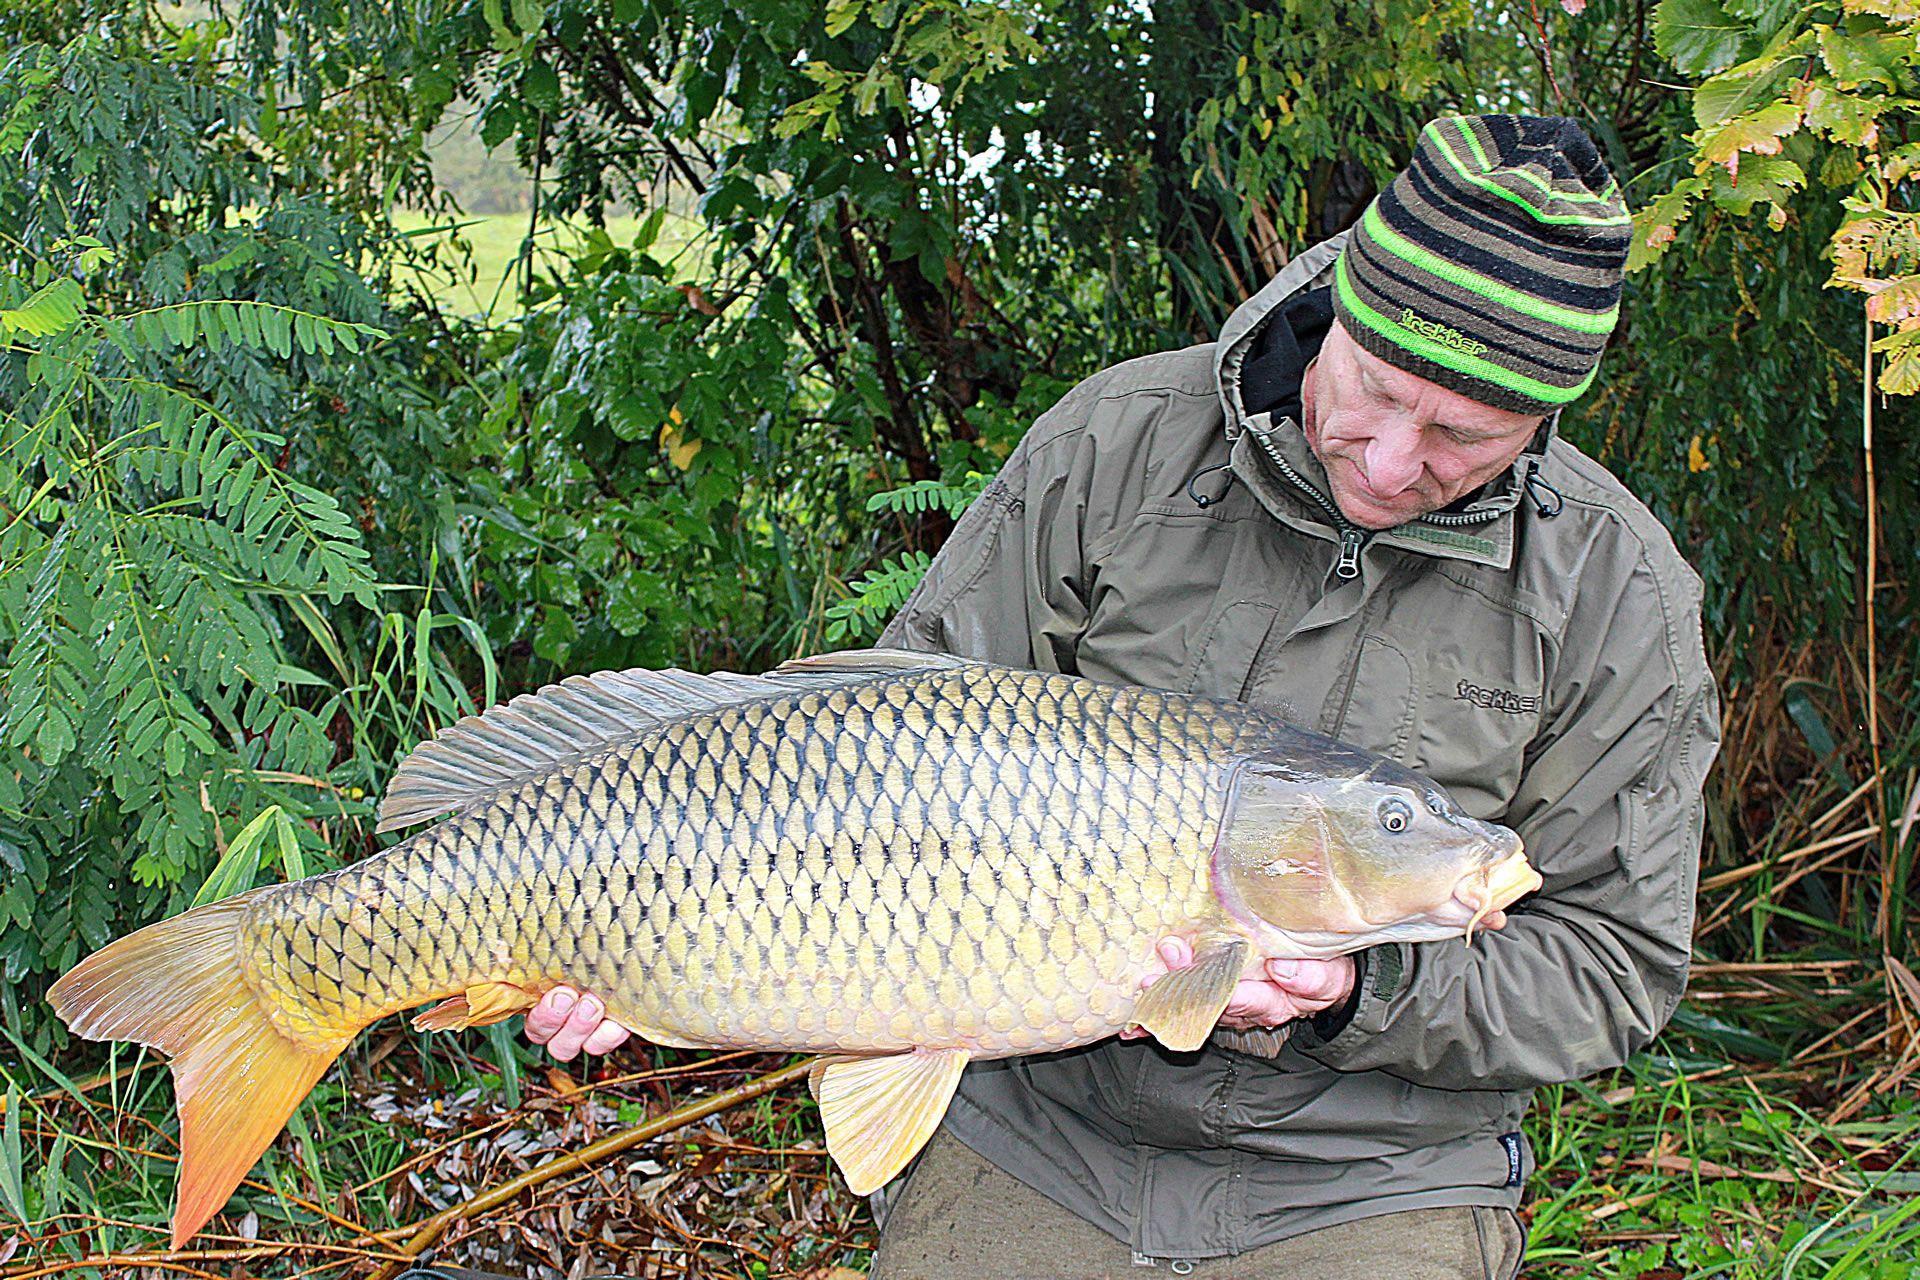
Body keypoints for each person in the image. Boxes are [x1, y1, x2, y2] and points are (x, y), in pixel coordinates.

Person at [524, 115, 1721, 1280]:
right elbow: (858, 775)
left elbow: (1610, 962)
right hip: (1040, 1132)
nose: (1392, 461)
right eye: (1374, 390)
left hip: (1372, 1172)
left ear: (1542, 417)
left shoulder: (1617, 599)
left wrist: (1358, 990)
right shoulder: (1119, 446)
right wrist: (629, 932)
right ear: (1337, 309)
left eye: (1465, 434)